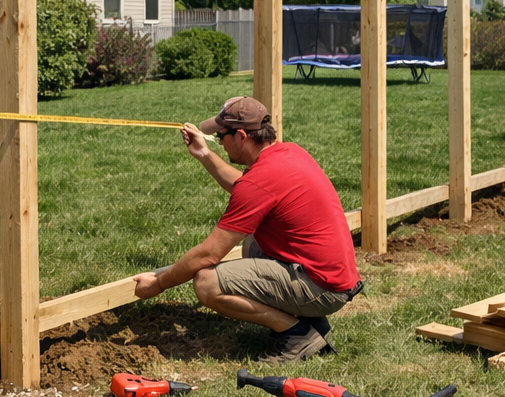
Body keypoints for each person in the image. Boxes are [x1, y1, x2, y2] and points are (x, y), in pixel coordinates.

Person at [133, 96, 362, 364]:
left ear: (241, 135)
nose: (219, 142)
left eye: (220, 136)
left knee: (207, 283)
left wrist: (159, 284)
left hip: (324, 288)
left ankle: (298, 333)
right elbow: (246, 186)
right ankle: (309, 320)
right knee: (252, 244)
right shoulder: (288, 153)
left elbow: (208, 254)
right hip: (331, 277)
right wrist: (204, 154)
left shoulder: (261, 181)